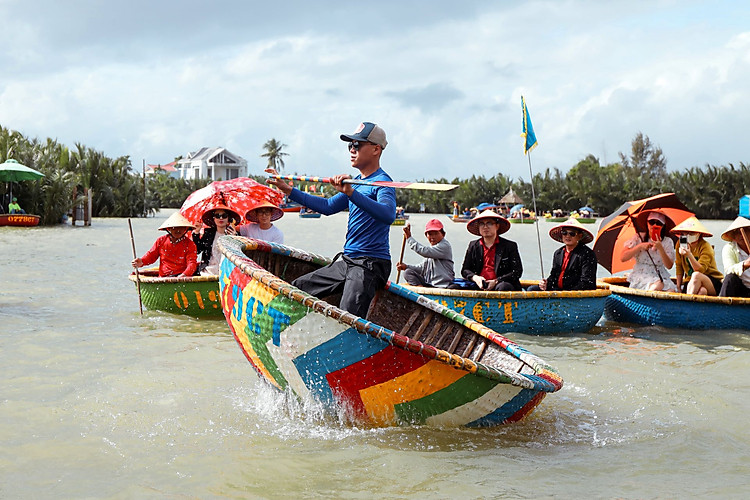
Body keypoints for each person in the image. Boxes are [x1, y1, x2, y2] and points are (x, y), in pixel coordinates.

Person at [266, 121, 396, 318]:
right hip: (348, 260)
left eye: (357, 145)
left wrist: (351, 193)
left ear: (376, 149)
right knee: (297, 289)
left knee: (347, 316)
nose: (352, 150)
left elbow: (388, 215)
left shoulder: (382, 182)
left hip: (370, 264)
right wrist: (288, 190)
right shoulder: (357, 182)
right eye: (350, 146)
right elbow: (326, 207)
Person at [454, 209, 522, 291]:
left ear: (497, 226)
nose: (485, 227)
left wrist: (496, 281)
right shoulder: (473, 246)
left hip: (500, 284)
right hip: (479, 284)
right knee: (453, 287)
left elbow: (517, 271)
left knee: (503, 287)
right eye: (482, 224)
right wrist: (476, 278)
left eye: (489, 223)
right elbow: (465, 270)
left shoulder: (509, 246)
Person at [528, 218, 598, 291]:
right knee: (531, 289)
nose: (567, 236)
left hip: (576, 294)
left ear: (579, 236)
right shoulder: (558, 253)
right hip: (558, 290)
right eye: (564, 233)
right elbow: (554, 276)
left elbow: (586, 281)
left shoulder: (587, 254)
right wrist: (546, 283)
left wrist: (567, 292)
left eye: (572, 234)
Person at [620, 210, 677, 291]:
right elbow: (623, 257)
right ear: (647, 223)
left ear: (663, 226)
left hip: (660, 274)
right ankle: (647, 298)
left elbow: (669, 266)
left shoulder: (667, 241)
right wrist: (639, 246)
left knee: (671, 290)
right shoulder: (638, 237)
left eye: (658, 223)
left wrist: (660, 248)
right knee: (658, 285)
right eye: (652, 222)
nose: (654, 225)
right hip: (642, 274)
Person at [132, 212, 198, 277]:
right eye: (174, 227)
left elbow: (192, 263)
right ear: (168, 229)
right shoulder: (161, 241)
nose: (178, 230)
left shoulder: (190, 244)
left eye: (181, 228)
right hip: (163, 277)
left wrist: (185, 275)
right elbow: (151, 256)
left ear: (185, 229)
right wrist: (141, 261)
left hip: (181, 275)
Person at [671, 216, 723, 296]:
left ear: (699, 234)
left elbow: (700, 270)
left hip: (711, 280)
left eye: (692, 233)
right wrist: (678, 286)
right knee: (702, 291)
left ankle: (686, 303)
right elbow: (679, 266)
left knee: (696, 275)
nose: (688, 235)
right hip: (691, 281)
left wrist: (689, 255)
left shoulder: (705, 246)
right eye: (685, 233)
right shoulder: (680, 244)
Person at [396, 219, 454, 287]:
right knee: (407, 272)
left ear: (443, 234)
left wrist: (409, 238)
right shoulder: (431, 249)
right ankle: (420, 290)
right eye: (430, 234)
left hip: (442, 285)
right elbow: (422, 269)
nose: (432, 237)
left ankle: (421, 291)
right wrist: (406, 266)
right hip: (429, 283)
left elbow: (424, 251)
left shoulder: (444, 246)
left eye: (436, 233)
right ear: (426, 235)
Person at [193, 204, 240, 276]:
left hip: (228, 272)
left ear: (228, 219)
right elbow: (198, 250)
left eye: (224, 216)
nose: (221, 218)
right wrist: (196, 233)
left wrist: (234, 238)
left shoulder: (234, 234)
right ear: (214, 219)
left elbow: (240, 255)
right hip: (208, 271)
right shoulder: (208, 233)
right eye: (217, 216)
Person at [718, 216, 750, 297]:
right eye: (738, 232)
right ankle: (722, 306)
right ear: (734, 236)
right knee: (730, 278)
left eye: (745, 231)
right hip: (741, 287)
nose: (742, 235)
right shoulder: (729, 248)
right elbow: (728, 269)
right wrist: (745, 265)